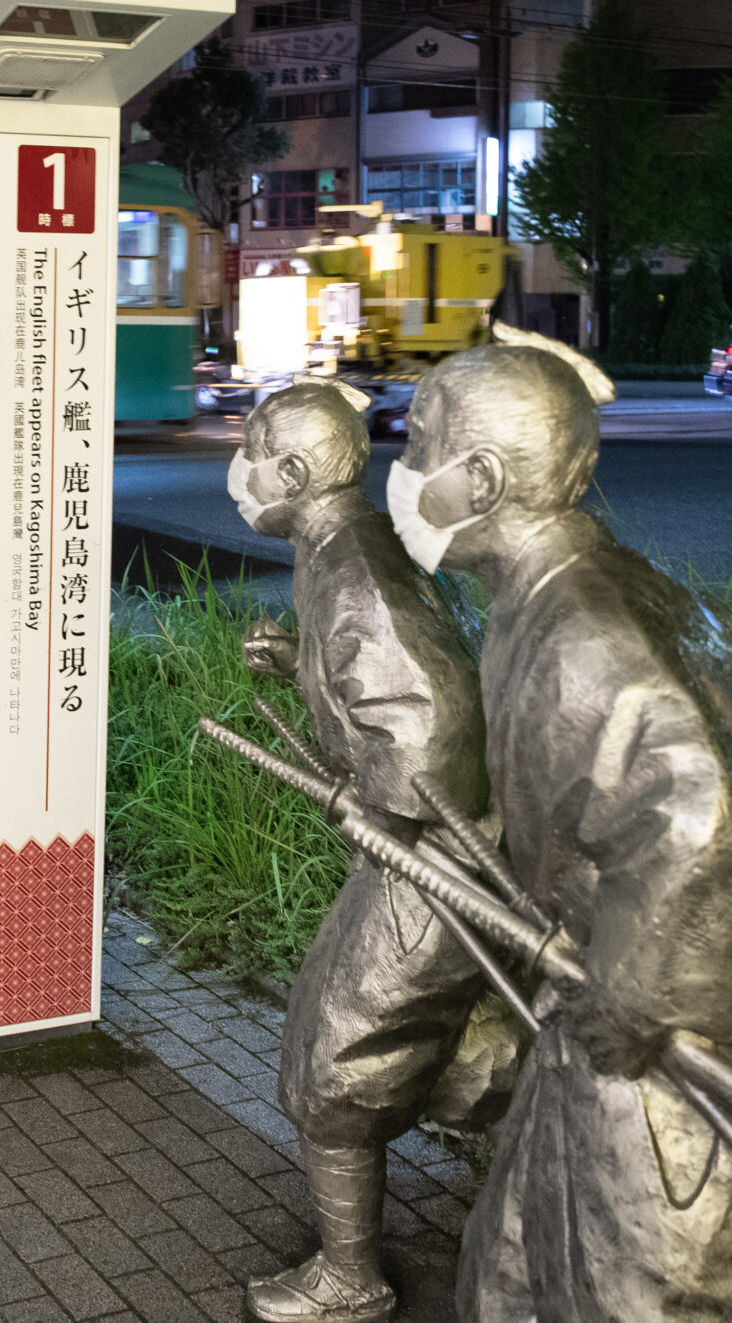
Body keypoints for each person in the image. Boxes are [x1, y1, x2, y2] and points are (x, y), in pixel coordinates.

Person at [387, 325, 732, 1323]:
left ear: (480, 479)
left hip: (683, 1063)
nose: (401, 469)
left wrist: (629, 999)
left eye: (418, 445)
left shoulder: (583, 630)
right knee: (511, 1275)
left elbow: (706, 824)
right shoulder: (585, 584)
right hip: (607, 1026)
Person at [227, 378, 512, 1323]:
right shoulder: (339, 549)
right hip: (425, 849)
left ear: (293, 473)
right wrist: (298, 660)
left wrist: (375, 803)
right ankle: (538, 1207)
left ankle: (352, 1276)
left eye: (251, 452)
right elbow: (377, 670)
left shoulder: (354, 566)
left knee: (332, 1059)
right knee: (467, 1049)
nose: (238, 471)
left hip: (430, 858)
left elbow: (432, 722)